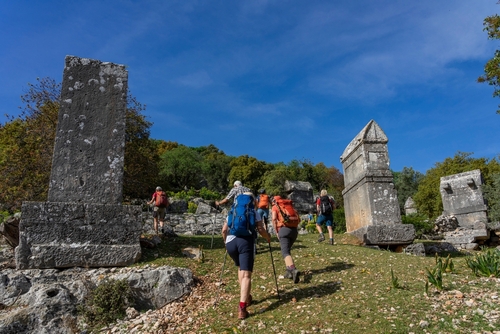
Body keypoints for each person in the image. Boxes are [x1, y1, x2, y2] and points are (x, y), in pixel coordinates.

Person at [222, 192, 271, 320]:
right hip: (245, 242)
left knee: (240, 268)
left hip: (231, 242)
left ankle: (247, 297)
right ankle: (242, 308)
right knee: (246, 275)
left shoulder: (232, 211)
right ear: (253, 201)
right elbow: (260, 229)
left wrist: (225, 242)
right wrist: (268, 237)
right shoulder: (254, 212)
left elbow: (224, 230)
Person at [271, 196, 301, 284]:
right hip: (294, 231)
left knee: (285, 252)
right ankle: (289, 272)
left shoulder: (275, 207)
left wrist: (276, 231)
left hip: (284, 230)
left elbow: (273, 219)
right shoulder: (288, 205)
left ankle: (293, 269)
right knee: (287, 251)